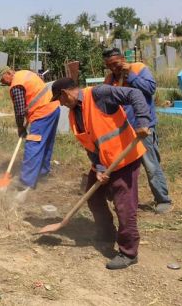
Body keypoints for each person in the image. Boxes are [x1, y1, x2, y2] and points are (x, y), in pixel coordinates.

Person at [51, 77, 151, 270]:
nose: (61, 104)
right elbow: (91, 145)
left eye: (59, 99)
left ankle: (128, 252)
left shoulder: (99, 94)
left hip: (125, 159)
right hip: (104, 162)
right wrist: (100, 168)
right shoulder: (74, 113)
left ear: (65, 93)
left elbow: (135, 94)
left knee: (124, 206)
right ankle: (106, 233)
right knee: (94, 197)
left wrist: (143, 121)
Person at [102, 47, 172, 213]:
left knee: (151, 164)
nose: (113, 68)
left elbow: (150, 89)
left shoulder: (139, 69)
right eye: (109, 65)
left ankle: (163, 200)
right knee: (120, 165)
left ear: (122, 59)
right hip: (122, 129)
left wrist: (130, 76)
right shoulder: (110, 78)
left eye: (115, 63)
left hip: (143, 126)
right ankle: (121, 198)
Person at [0, 66, 60, 193]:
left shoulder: (16, 85)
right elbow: (38, 82)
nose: (3, 83)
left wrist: (20, 127)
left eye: (3, 80)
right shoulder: (24, 73)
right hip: (53, 108)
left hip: (42, 113)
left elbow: (19, 111)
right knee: (46, 143)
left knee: (33, 145)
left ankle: (25, 182)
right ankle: (42, 174)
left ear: (8, 73)